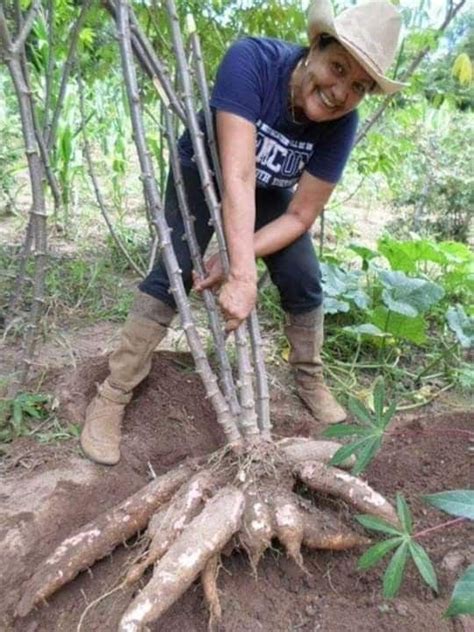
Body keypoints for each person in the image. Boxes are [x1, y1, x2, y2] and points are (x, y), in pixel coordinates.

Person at [80, 0, 405, 465]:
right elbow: (234, 177)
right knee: (176, 266)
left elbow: (299, 216)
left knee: (303, 275)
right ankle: (113, 394)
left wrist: (238, 254)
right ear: (315, 46)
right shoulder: (251, 61)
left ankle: (308, 375)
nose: (340, 92)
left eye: (358, 86)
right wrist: (242, 274)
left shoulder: (342, 124)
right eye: (337, 68)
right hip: (206, 167)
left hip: (266, 186)